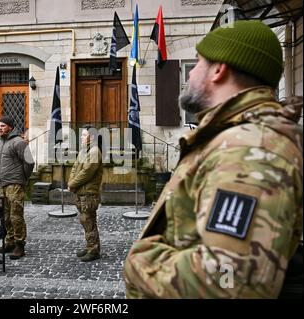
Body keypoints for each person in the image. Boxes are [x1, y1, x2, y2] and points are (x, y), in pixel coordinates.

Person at [124, 20, 303, 298]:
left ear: (219, 70)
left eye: (197, 63)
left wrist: (140, 263)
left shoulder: (249, 150)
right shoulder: (233, 137)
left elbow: (231, 280)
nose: (190, 73)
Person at [0, 116, 34, 259]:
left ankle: (19, 245)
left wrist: (22, 178)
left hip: (15, 185)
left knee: (16, 216)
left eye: (2, 126)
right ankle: (9, 242)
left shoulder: (18, 142)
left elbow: (29, 162)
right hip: (2, 185)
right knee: (5, 216)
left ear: (10, 127)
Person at [68, 126, 103, 262]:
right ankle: (90, 246)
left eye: (84, 135)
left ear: (92, 137)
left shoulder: (94, 152)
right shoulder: (83, 151)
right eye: (81, 135)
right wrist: (71, 181)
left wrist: (72, 184)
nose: (81, 137)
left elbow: (87, 172)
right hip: (80, 192)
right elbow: (75, 168)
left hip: (88, 193)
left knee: (88, 221)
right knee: (86, 220)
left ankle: (93, 249)